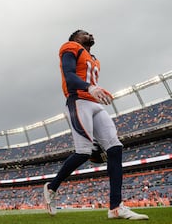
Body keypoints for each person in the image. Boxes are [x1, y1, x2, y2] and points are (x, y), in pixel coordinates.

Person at [43, 30, 149, 220]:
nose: (90, 34)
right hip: (78, 101)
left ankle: (115, 207)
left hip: (94, 103)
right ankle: (52, 187)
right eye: (85, 33)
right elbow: (69, 76)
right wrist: (90, 87)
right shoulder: (70, 47)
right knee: (83, 151)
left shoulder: (94, 58)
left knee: (115, 148)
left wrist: (94, 89)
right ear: (75, 38)